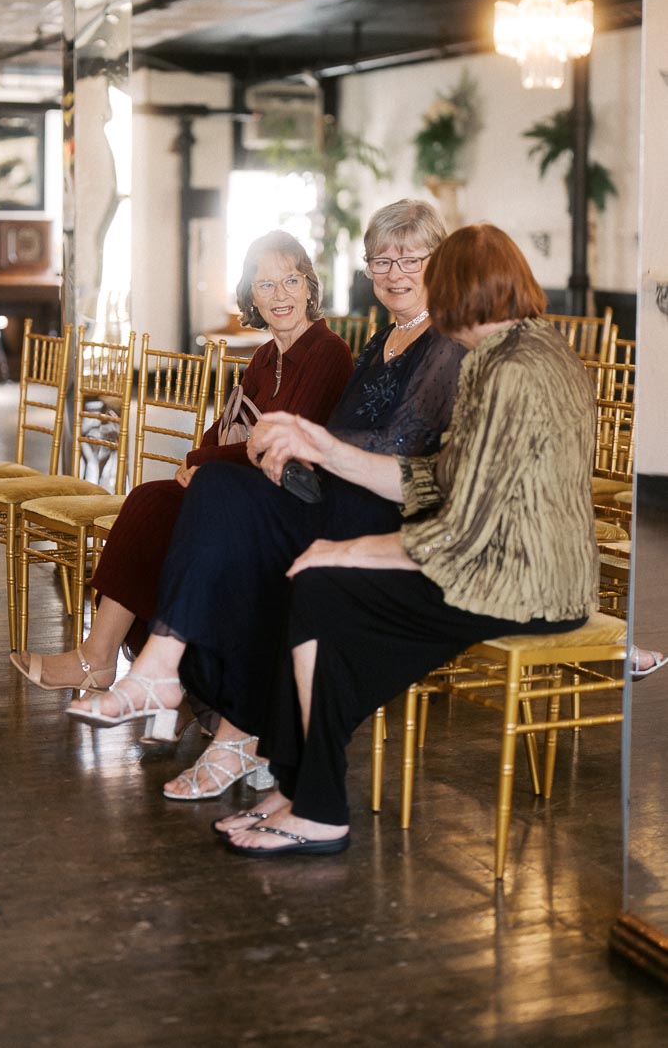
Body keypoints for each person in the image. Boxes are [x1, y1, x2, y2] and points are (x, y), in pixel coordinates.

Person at [66, 200, 465, 803]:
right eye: (380, 258)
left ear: (440, 262)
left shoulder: (442, 343)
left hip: (378, 508)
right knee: (199, 502)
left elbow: (402, 451)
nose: (393, 270)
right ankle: (190, 693)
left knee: (221, 498)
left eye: (410, 256)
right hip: (335, 488)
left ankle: (188, 693)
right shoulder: (385, 337)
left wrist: (308, 447)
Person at [219, 223, 599, 856]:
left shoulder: (512, 370)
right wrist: (326, 449)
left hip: (528, 585)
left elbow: (458, 532)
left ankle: (316, 804)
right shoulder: (516, 351)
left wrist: (344, 550)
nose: (413, 288)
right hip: (504, 569)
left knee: (322, 584)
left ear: (455, 291)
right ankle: (300, 789)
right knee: (317, 584)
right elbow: (435, 479)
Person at [11, 230, 354, 694]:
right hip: (238, 484)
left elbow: (288, 438)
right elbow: (229, 425)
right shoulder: (266, 356)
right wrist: (199, 458)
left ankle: (116, 660)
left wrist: (205, 463)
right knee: (150, 503)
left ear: (310, 286)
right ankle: (117, 659)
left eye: (290, 280)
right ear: (252, 295)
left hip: (289, 497)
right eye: (266, 284)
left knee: (154, 506)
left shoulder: (327, 352)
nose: (280, 295)